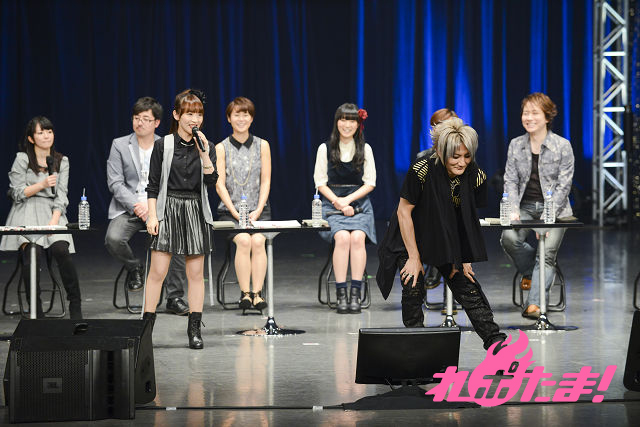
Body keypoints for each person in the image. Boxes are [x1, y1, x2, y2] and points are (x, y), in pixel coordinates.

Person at [377, 118, 506, 351]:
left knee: (467, 285)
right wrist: (414, 257)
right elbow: (404, 212)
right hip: (411, 233)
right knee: (413, 283)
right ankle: (416, 348)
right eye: (455, 156)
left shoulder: (476, 176)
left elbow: (465, 217)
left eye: (467, 156)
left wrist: (463, 257)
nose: (461, 162)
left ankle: (496, 345)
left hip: (445, 234)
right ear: (439, 151)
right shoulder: (421, 170)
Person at [142, 89, 217, 349]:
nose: (194, 119)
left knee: (195, 274)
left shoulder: (207, 145)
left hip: (195, 208)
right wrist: (153, 216)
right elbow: (152, 185)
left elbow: (211, 180)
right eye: (189, 114)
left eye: (199, 114)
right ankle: (145, 330)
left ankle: (194, 330)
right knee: (157, 272)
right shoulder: (163, 145)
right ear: (176, 115)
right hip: (169, 206)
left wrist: (204, 153)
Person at [105, 96, 189, 315]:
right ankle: (135, 267)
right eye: (136, 118)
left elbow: (173, 182)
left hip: (159, 207)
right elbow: (115, 183)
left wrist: (153, 207)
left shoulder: (167, 145)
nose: (139, 123)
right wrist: (137, 206)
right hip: (129, 207)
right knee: (113, 238)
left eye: (145, 119)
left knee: (176, 238)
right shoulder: (120, 145)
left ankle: (175, 296)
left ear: (156, 122)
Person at [500, 93, 574, 319]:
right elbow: (510, 180)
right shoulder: (516, 145)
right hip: (524, 206)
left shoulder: (562, 146)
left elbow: (564, 185)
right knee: (508, 238)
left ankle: (534, 305)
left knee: (547, 253)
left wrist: (548, 218)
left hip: (556, 210)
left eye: (534, 113)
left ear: (547, 117)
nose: (529, 118)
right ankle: (534, 273)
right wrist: (513, 209)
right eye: (526, 113)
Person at [0, 116, 82, 319]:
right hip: (25, 209)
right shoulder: (22, 159)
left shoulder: (62, 161)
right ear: (31, 138)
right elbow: (16, 193)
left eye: (49, 131)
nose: (46, 136)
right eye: (40, 132)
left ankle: (76, 306)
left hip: (52, 211)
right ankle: (36, 312)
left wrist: (54, 222)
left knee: (61, 250)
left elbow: (61, 195)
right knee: (32, 253)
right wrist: (42, 185)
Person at [313, 103, 376, 314]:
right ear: (336, 122)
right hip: (332, 203)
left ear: (358, 124)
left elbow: (370, 183)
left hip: (359, 203)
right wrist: (338, 202)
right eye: (343, 119)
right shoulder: (325, 148)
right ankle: (341, 293)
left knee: (357, 238)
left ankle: (355, 293)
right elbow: (320, 182)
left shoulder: (365, 149)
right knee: (342, 238)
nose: (347, 125)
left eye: (351, 120)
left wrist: (348, 200)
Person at [215, 97, 271, 310]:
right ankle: (245, 294)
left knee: (258, 241)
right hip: (230, 212)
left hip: (259, 210)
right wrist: (235, 213)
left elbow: (265, 181)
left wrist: (258, 209)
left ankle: (258, 294)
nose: (241, 119)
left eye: (245, 114)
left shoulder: (262, 145)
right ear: (229, 118)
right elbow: (219, 184)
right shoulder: (221, 148)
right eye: (236, 114)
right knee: (244, 241)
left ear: (252, 118)